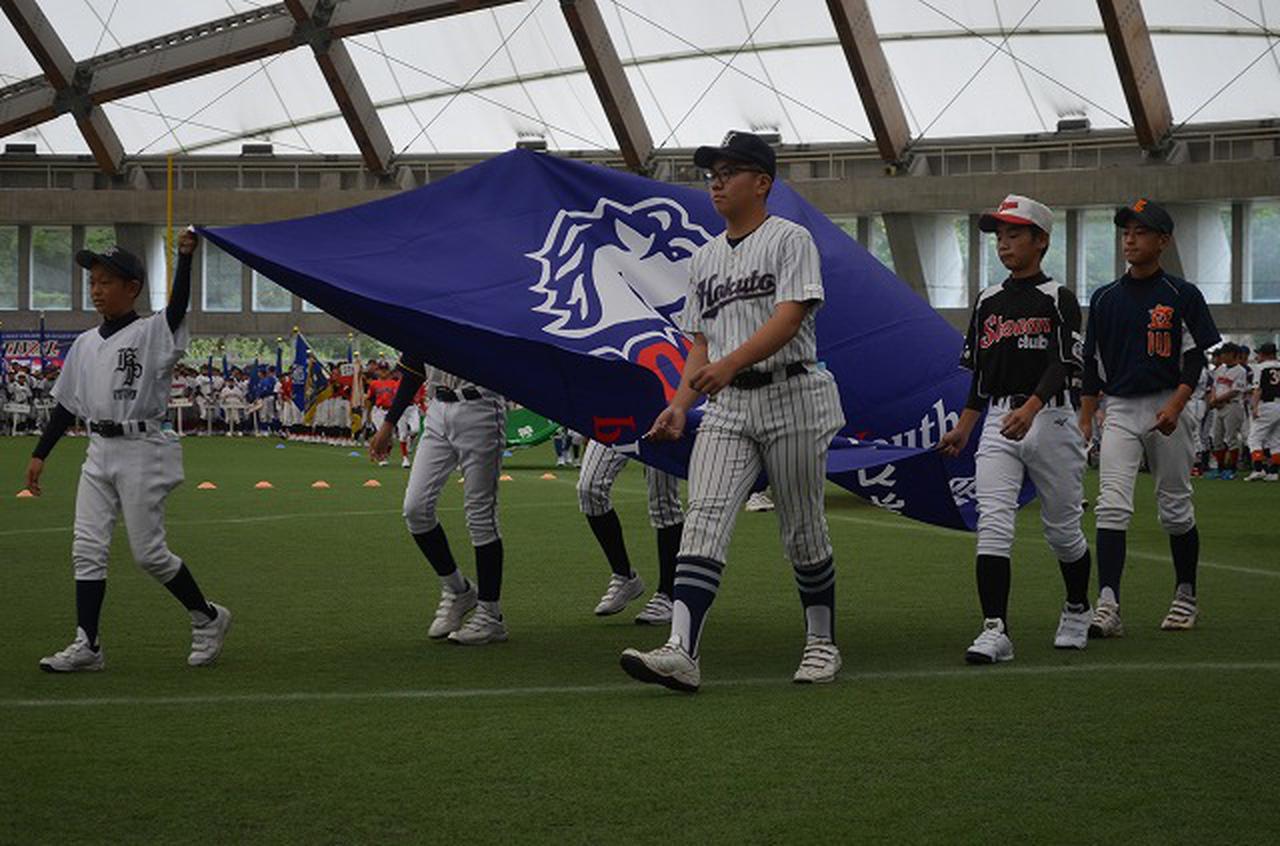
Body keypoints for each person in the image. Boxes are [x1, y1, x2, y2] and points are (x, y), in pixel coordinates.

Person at [620, 130, 845, 692]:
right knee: (705, 515)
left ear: (762, 182)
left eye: (729, 171)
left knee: (802, 528)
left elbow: (790, 317)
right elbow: (700, 341)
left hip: (794, 393)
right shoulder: (705, 257)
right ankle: (681, 651)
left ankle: (821, 642)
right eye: (711, 173)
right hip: (728, 406)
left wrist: (726, 365)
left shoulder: (790, 239)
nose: (716, 181)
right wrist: (679, 403)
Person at [26, 231, 231, 672]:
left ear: (132, 287)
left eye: (106, 281)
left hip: (143, 448)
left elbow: (176, 309)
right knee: (86, 547)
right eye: (93, 281)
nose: (97, 289)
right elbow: (66, 405)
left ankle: (207, 616)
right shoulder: (84, 344)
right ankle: (88, 644)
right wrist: (41, 453)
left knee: (149, 554)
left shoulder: (151, 332)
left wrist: (185, 259)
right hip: (98, 449)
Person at [938, 194, 1092, 663]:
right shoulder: (988, 301)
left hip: (1052, 417)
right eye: (999, 236)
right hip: (1000, 421)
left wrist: (1031, 406)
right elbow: (981, 374)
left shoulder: (1058, 298)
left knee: (1063, 530)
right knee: (993, 524)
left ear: (1041, 240)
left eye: (1014, 234)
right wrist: (965, 425)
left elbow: (1063, 361)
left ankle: (1077, 607)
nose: (1003, 244)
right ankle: (995, 629)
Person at [1079, 199, 1221, 638]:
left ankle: (1185, 594)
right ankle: (1108, 604)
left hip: (1168, 403)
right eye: (1125, 232)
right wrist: (1086, 419)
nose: (1130, 239)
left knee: (1175, 506)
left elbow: (1195, 358)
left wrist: (1177, 405)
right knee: (1112, 505)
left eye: (1140, 231)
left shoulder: (1182, 294)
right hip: (1120, 408)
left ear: (1163, 240)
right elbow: (1090, 365)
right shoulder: (1104, 298)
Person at [369, 355, 508, 645]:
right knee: (415, 509)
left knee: (481, 516)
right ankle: (459, 590)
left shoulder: (486, 308)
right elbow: (413, 371)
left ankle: (490, 614)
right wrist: (388, 424)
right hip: (437, 409)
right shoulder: (430, 309)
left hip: (481, 406)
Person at [576, 439, 684, 623]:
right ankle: (624, 576)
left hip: (661, 416)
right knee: (589, 489)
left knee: (663, 500)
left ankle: (668, 593)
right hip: (614, 415)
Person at [1208, 342, 1246, 480]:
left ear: (1233, 355)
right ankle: (1220, 468)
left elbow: (1236, 391)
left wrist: (1217, 400)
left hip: (1232, 405)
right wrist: (1213, 398)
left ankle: (1232, 470)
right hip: (1218, 407)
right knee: (1216, 438)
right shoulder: (1220, 370)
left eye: (1225, 353)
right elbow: (1214, 386)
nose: (1222, 356)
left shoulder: (1240, 370)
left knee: (1231, 438)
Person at [1246, 341, 1280, 481]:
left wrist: (1254, 407)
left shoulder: (1260, 368)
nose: (1258, 356)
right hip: (1279, 403)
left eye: (1259, 353)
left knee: (1254, 438)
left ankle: (1258, 469)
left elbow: (1257, 389)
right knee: (1276, 440)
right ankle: (1273, 472)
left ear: (1265, 354)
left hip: (1267, 404)